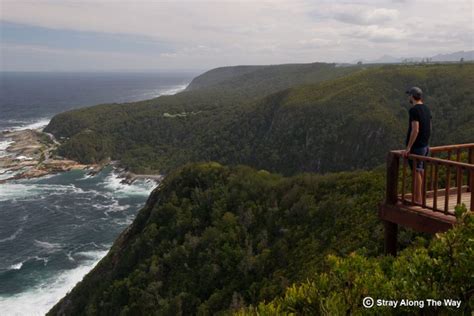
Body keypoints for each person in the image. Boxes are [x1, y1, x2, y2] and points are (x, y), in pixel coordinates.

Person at [402, 86, 432, 204]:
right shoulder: (426, 108)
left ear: (412, 96)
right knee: (421, 171)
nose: (408, 97)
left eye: (409, 95)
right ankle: (421, 197)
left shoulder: (414, 110)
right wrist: (426, 142)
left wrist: (408, 147)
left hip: (417, 147)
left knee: (416, 172)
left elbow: (415, 130)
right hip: (425, 146)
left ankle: (417, 200)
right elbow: (430, 127)